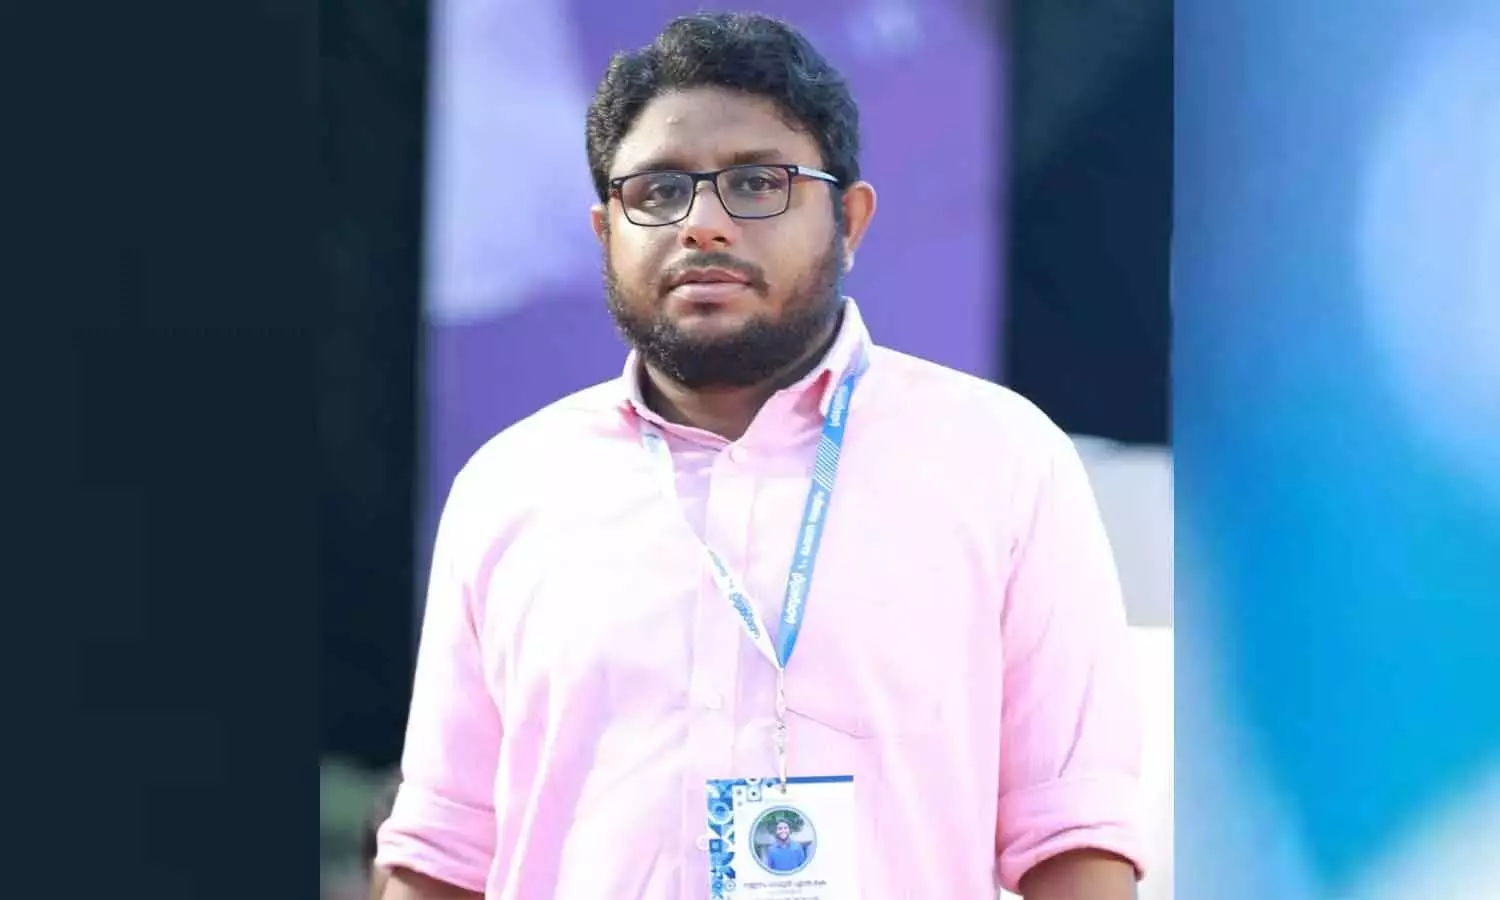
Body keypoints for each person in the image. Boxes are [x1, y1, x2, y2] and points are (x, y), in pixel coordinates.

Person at [377, 12, 1146, 900]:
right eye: (658, 190)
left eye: (756, 183)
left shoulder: (1000, 461)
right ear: (604, 232)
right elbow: (443, 853)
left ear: (849, 220)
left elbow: (1072, 836)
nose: (703, 224)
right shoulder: (511, 487)